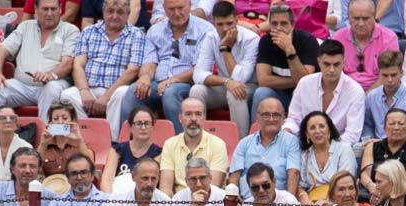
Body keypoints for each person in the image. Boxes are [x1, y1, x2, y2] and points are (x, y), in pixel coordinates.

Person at [0, 0, 80, 139]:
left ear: (60, 9)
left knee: (52, 88)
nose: (49, 13)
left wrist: (51, 75)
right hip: (23, 85)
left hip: (55, 82)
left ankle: (46, 141)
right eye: (45, 9)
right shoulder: (25, 26)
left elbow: (68, 63)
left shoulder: (70, 30)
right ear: (36, 9)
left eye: (53, 9)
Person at [118, 0, 216, 137]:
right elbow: (150, 61)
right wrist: (145, 77)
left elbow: (200, 68)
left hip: (187, 83)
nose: (176, 13)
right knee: (133, 91)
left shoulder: (205, 30)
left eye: (180, 8)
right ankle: (127, 144)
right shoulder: (155, 30)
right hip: (158, 83)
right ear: (164, 9)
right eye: (171, 9)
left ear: (189, 6)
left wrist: (172, 80)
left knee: (170, 93)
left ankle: (183, 144)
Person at [62, 0, 145, 138]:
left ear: (128, 14)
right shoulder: (89, 31)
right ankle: (86, 137)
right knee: (67, 95)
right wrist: (84, 91)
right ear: (103, 12)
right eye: (110, 11)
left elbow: (133, 70)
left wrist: (106, 97)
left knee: (124, 93)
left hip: (115, 90)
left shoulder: (136, 34)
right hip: (90, 89)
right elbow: (78, 65)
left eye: (120, 12)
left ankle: (112, 141)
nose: (114, 16)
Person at [190, 1, 259, 138]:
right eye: (220, 25)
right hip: (225, 86)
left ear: (236, 20)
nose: (225, 29)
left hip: (249, 87)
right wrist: (227, 82)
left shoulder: (251, 39)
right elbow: (198, 75)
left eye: (229, 23)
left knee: (235, 93)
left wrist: (226, 49)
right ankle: (197, 139)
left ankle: (241, 143)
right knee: (196, 90)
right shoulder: (211, 37)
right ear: (214, 23)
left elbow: (241, 78)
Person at [282, 41, 366, 151]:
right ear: (319, 62)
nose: (331, 70)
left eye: (336, 64)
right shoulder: (305, 83)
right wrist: (287, 131)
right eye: (327, 64)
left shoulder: (355, 91)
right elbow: (294, 119)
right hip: (304, 146)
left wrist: (326, 150)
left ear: (344, 62)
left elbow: (352, 135)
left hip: (338, 150)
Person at [252, 3, 319, 119]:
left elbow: (305, 83)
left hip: (304, 95)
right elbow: (263, 80)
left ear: (292, 25)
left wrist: (289, 50)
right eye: (274, 24)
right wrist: (296, 80)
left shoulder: (308, 41)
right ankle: (254, 133)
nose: (278, 28)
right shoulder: (266, 42)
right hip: (279, 94)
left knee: (303, 93)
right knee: (261, 93)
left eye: (283, 23)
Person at [227, 98, 300, 197]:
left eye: (276, 115)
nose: (271, 119)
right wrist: (235, 200)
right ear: (258, 118)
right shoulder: (244, 143)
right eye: (266, 115)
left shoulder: (291, 142)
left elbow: (294, 173)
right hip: (247, 203)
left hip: (278, 204)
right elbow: (234, 177)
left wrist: (290, 203)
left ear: (283, 118)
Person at [295, 110, 358, 206]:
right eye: (312, 128)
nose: (317, 131)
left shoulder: (344, 149)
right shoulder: (305, 154)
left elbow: (346, 182)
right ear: (307, 134)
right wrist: (304, 198)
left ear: (329, 130)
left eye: (321, 126)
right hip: (313, 203)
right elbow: (301, 185)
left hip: (339, 202)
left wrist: (326, 202)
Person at [159, 98, 229, 194]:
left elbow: (213, 188)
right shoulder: (170, 144)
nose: (193, 119)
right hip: (178, 204)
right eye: (188, 114)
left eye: (198, 114)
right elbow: (165, 188)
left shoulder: (218, 145)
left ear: (204, 117)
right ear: (180, 118)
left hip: (207, 204)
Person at [360, 109, 406, 203]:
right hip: (374, 192)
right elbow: (365, 174)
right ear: (384, 127)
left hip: (401, 193)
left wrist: (388, 192)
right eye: (392, 124)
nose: (396, 128)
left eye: (401, 124)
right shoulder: (372, 146)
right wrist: (373, 188)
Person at [334, 0, 399, 91]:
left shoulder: (389, 38)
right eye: (356, 18)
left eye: (365, 18)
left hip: (379, 93)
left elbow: (388, 75)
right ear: (348, 17)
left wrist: (367, 97)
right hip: (345, 92)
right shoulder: (338, 38)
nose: (361, 23)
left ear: (374, 17)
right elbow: (334, 73)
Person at [100, 105, 164, 194]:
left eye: (147, 123)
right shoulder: (117, 150)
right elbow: (106, 180)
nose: (143, 128)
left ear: (153, 127)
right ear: (130, 127)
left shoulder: (158, 153)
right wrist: (110, 201)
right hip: (116, 199)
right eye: (138, 123)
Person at [362, 51, 406, 143]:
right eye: (385, 75)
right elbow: (367, 125)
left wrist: (380, 143)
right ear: (379, 73)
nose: (389, 80)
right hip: (376, 147)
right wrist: (368, 141)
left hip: (404, 147)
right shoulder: (371, 97)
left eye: (393, 75)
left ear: (401, 73)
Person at [104, 157, 175, 206]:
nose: (149, 184)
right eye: (145, 178)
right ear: (133, 177)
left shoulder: (165, 202)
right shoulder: (116, 199)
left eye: (153, 179)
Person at [43, 152, 108, 206]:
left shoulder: (105, 199)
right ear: (68, 178)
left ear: (92, 176)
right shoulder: (57, 201)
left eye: (83, 172)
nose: (79, 177)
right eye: (74, 173)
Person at [236, 162, 306, 206]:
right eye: (255, 187)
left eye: (265, 185)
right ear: (249, 188)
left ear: (274, 182)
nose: (261, 191)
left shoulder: (289, 202)